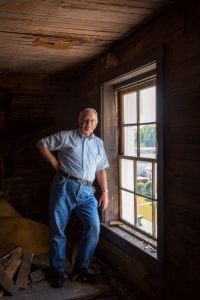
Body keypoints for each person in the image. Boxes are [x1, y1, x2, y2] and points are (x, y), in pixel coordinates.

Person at [36, 108, 109, 288]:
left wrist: (105, 191)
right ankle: (57, 270)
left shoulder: (99, 144)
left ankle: (81, 267)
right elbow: (41, 143)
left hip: (87, 192)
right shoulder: (67, 136)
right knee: (58, 229)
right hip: (64, 187)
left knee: (93, 227)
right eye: (85, 120)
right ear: (79, 121)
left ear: (96, 123)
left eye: (92, 120)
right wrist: (55, 164)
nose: (88, 124)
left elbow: (100, 169)